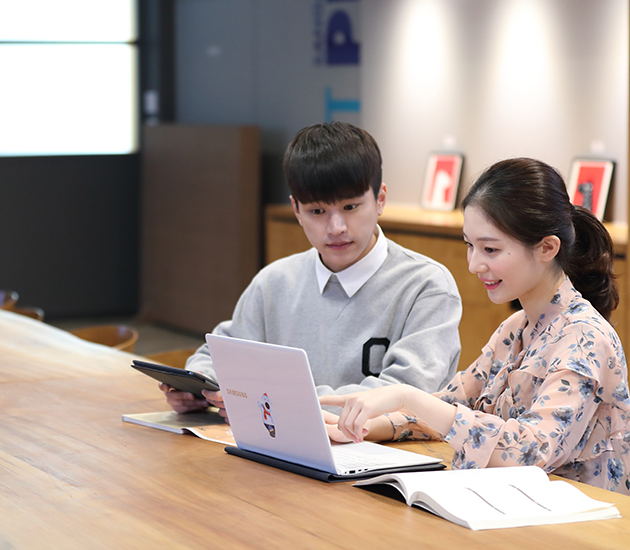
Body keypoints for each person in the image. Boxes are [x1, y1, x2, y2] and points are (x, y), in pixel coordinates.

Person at [320, 157, 630, 494]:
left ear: (547, 248)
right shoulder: (515, 327)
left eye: (490, 249)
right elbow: (452, 405)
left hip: (579, 518)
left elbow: (530, 452)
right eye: (470, 245)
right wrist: (363, 426)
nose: (474, 264)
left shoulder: (586, 338)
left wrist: (407, 397)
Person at [161, 121, 463, 418]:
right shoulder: (274, 282)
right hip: (281, 442)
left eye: (350, 207)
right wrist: (198, 387)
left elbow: (405, 394)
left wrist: (277, 401)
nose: (336, 227)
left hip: (386, 448)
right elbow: (220, 354)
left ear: (380, 199)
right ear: (296, 210)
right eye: (317, 211)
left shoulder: (427, 286)